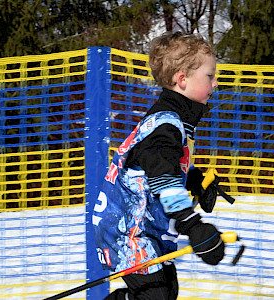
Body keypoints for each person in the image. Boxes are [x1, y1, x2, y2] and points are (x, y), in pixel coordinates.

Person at [92, 31, 227, 300]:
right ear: (182, 79)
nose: (215, 83)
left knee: (167, 290)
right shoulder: (166, 125)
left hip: (147, 230)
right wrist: (192, 224)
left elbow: (158, 166)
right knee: (156, 297)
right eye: (209, 76)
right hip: (129, 229)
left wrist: (195, 181)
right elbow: (162, 177)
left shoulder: (175, 122)